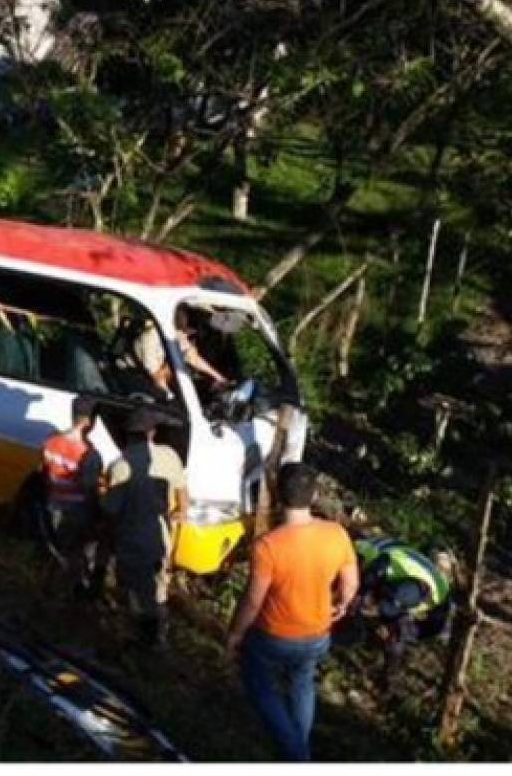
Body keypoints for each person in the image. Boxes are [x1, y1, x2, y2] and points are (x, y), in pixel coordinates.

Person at [225, 463, 358, 761]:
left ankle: (296, 755)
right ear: (313, 497)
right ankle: (297, 749)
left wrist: (235, 634)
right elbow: (350, 583)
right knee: (302, 682)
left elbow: (253, 601)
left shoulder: (268, 546)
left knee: (257, 681)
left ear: (277, 495)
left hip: (273, 637)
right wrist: (341, 603)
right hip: (318, 633)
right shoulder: (336, 533)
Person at [102, 407, 186, 645]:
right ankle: (159, 637)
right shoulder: (170, 456)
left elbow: (111, 511)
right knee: (158, 589)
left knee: (133, 592)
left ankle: (140, 640)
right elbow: (183, 495)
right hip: (160, 537)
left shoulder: (120, 465)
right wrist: (178, 515)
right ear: (152, 432)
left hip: (132, 540)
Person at [353, 536, 453, 689]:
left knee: (397, 635)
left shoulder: (441, 596)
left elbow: (434, 628)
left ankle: (388, 681)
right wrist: (360, 600)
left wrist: (405, 633)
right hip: (370, 554)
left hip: (398, 570)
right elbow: (365, 582)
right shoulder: (383, 564)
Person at [40, 395, 103, 594]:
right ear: (89, 422)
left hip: (53, 505)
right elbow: (89, 489)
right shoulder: (89, 454)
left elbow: (44, 473)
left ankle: (50, 588)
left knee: (57, 551)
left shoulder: (50, 442)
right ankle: (71, 593)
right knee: (78, 554)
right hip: (76, 512)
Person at [127, 307, 229, 395]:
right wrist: (176, 356)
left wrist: (219, 378)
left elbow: (194, 358)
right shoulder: (151, 339)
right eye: (185, 331)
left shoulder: (177, 335)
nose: (187, 336)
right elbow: (157, 379)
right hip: (134, 376)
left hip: (157, 378)